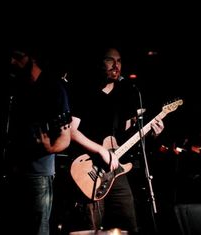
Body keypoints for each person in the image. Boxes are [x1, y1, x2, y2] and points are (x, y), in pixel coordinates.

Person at [66, 47, 164, 234]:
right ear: (99, 63)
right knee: (91, 228)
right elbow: (71, 131)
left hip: (116, 171)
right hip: (90, 169)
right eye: (110, 60)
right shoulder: (84, 93)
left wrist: (152, 132)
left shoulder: (125, 95)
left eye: (119, 61)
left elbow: (125, 137)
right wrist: (100, 150)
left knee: (129, 226)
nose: (116, 65)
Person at [1, 46, 73, 235]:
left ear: (33, 57)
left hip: (37, 174)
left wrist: (50, 147)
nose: (12, 62)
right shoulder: (17, 88)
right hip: (12, 171)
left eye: (18, 57)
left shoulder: (53, 88)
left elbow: (65, 138)